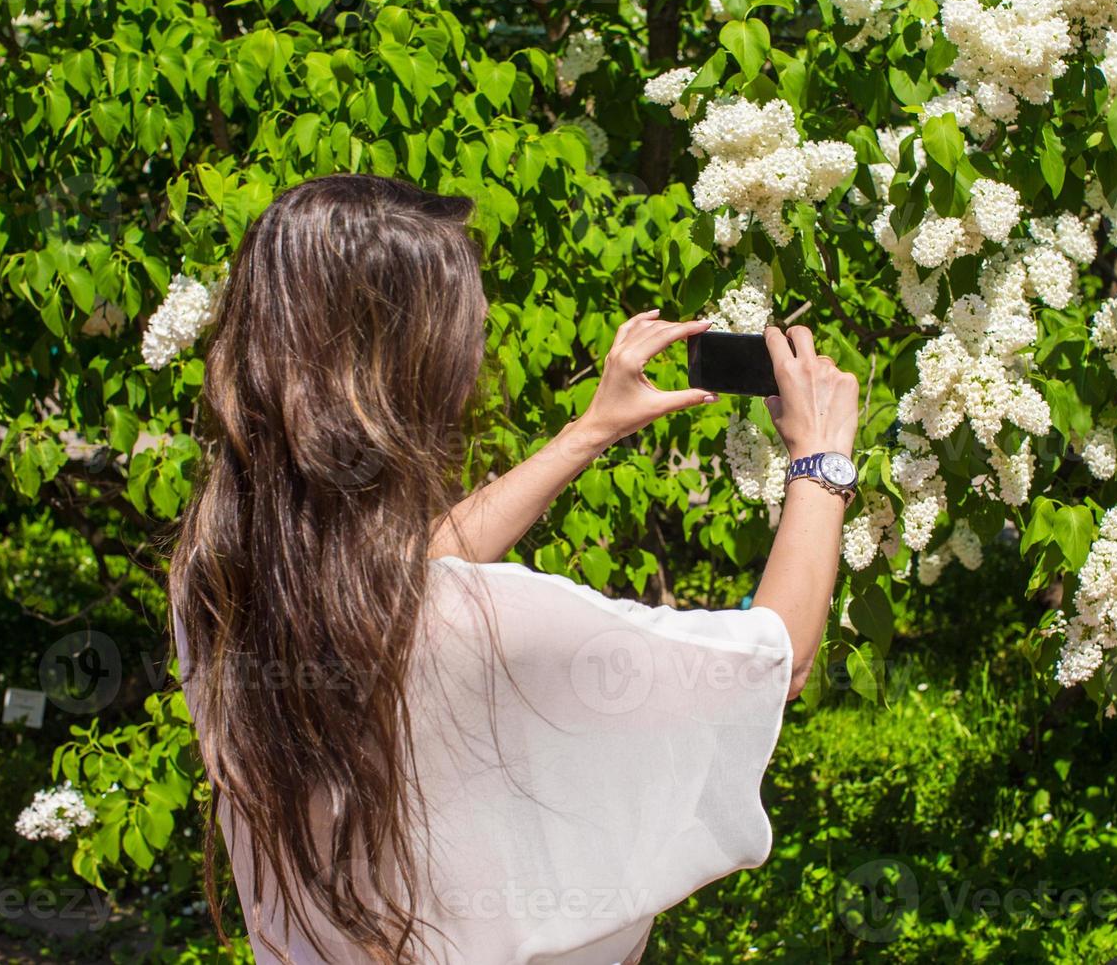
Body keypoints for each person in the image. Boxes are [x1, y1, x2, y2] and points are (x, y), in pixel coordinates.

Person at [169, 174, 860, 964]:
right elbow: (778, 657)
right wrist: (820, 460)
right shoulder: (494, 626)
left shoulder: (219, 588)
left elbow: (392, 576)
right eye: (470, 333)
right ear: (420, 371)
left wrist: (588, 432)